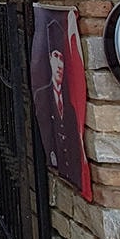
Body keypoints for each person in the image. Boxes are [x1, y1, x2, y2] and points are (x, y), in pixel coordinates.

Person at [32, 44, 85, 191]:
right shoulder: (41, 94)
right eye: (55, 57)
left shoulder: (71, 98)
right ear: (49, 59)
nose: (59, 64)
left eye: (61, 58)